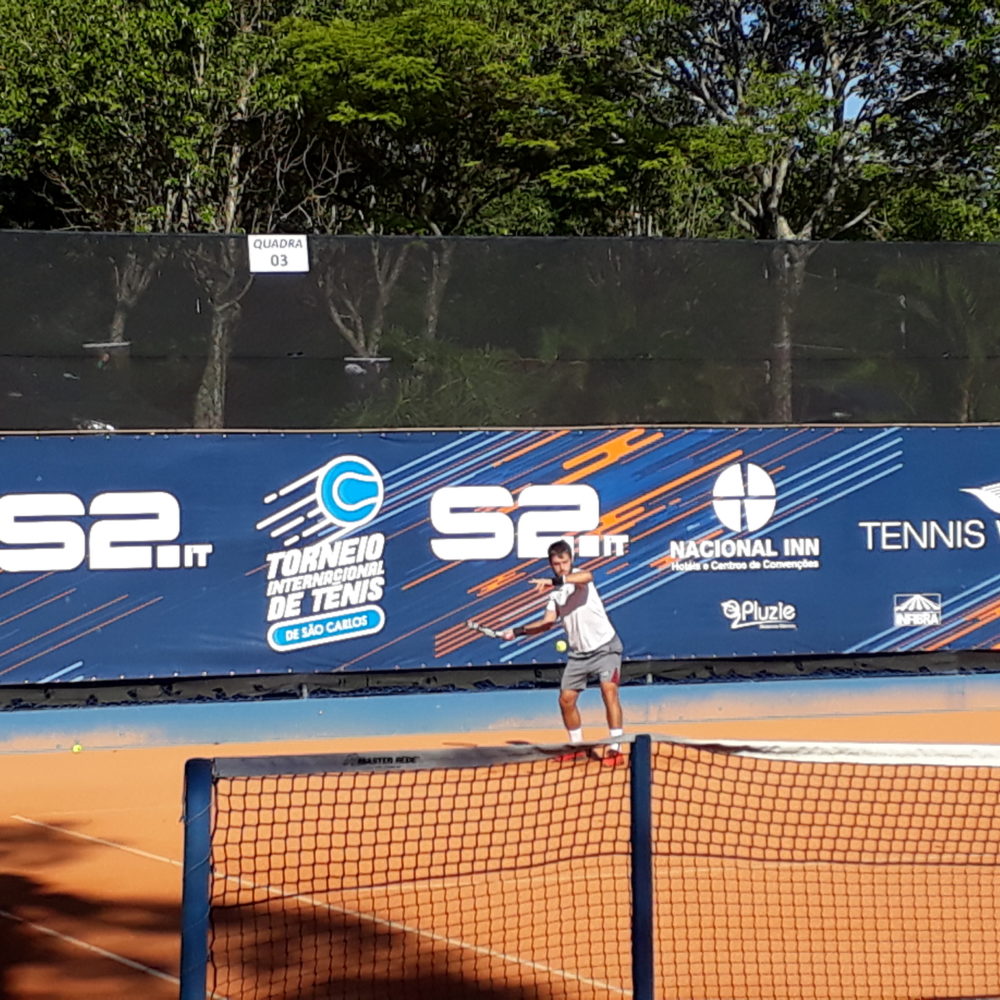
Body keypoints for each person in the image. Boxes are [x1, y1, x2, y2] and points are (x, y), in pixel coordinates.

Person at [502, 539, 624, 763]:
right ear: (551, 564)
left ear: (571, 560)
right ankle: (577, 747)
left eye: (565, 562)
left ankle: (615, 748)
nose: (561, 567)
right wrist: (517, 631)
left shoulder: (579, 578)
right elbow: (547, 623)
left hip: (605, 647)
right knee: (566, 700)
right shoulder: (555, 595)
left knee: (609, 691)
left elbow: (587, 576)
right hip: (579, 654)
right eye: (556, 564)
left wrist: (554, 581)